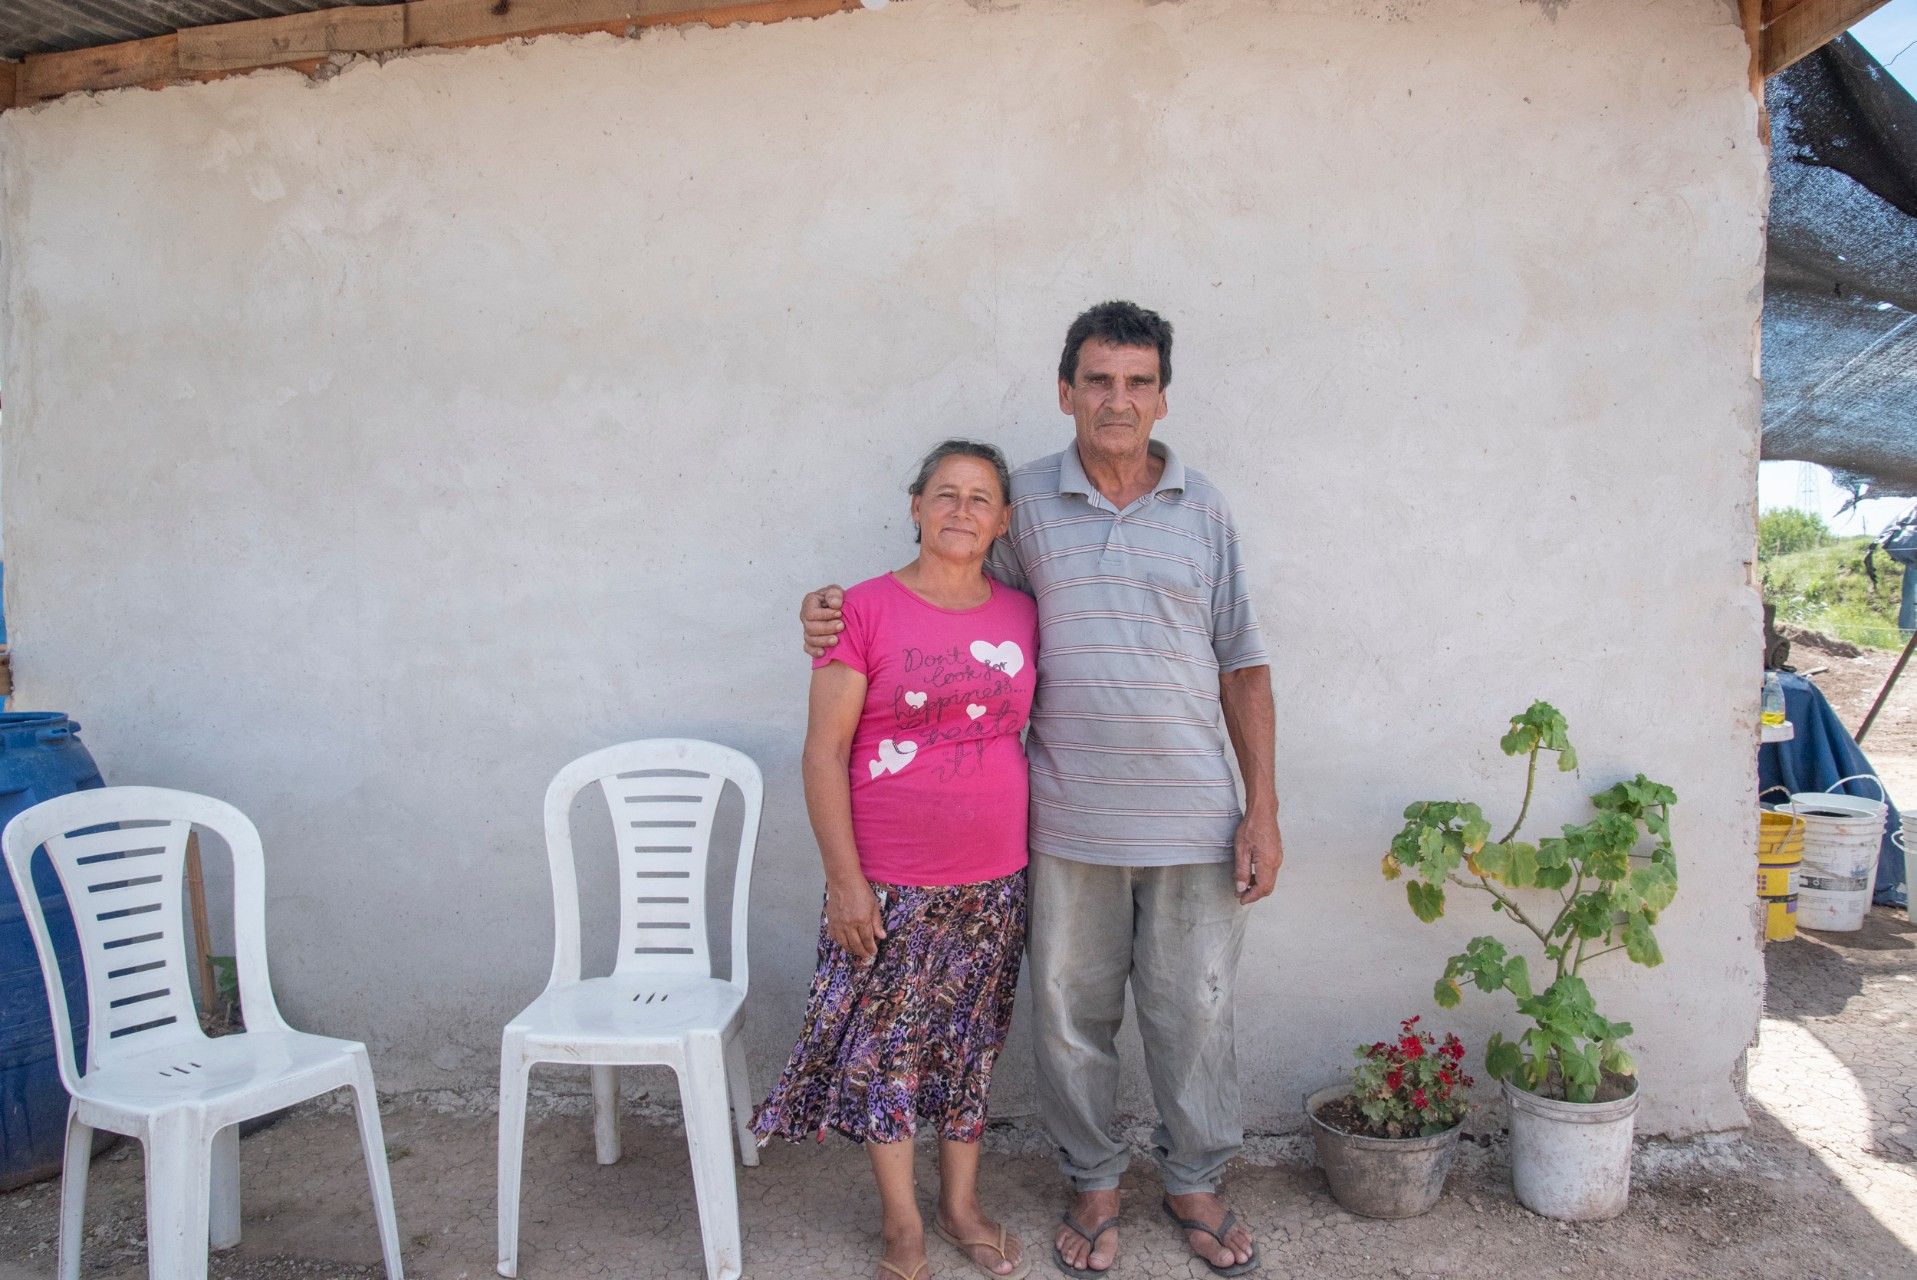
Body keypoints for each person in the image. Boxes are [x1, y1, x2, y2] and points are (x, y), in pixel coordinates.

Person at [803, 301, 1281, 1277]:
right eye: (1097, 380)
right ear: (1066, 392)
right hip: (1061, 819)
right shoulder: (1021, 503)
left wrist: (1262, 805)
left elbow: (1242, 663)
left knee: (1193, 1005)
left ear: (1161, 396)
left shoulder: (1205, 507)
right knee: (1070, 1012)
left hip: (1193, 812)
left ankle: (1193, 1177)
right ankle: (1094, 1178)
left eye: (1137, 381)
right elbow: (948, 584)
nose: (1117, 399)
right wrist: (829, 609)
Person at [756, 440, 1041, 1280]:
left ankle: (959, 1207)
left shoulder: (1024, 614)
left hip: (995, 878)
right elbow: (821, 754)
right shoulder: (863, 610)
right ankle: (901, 1225)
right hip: (888, 882)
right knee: (889, 1057)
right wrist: (845, 882)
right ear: (914, 506)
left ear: (1003, 521)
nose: (961, 510)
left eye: (980, 498)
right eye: (944, 494)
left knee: (968, 1049)